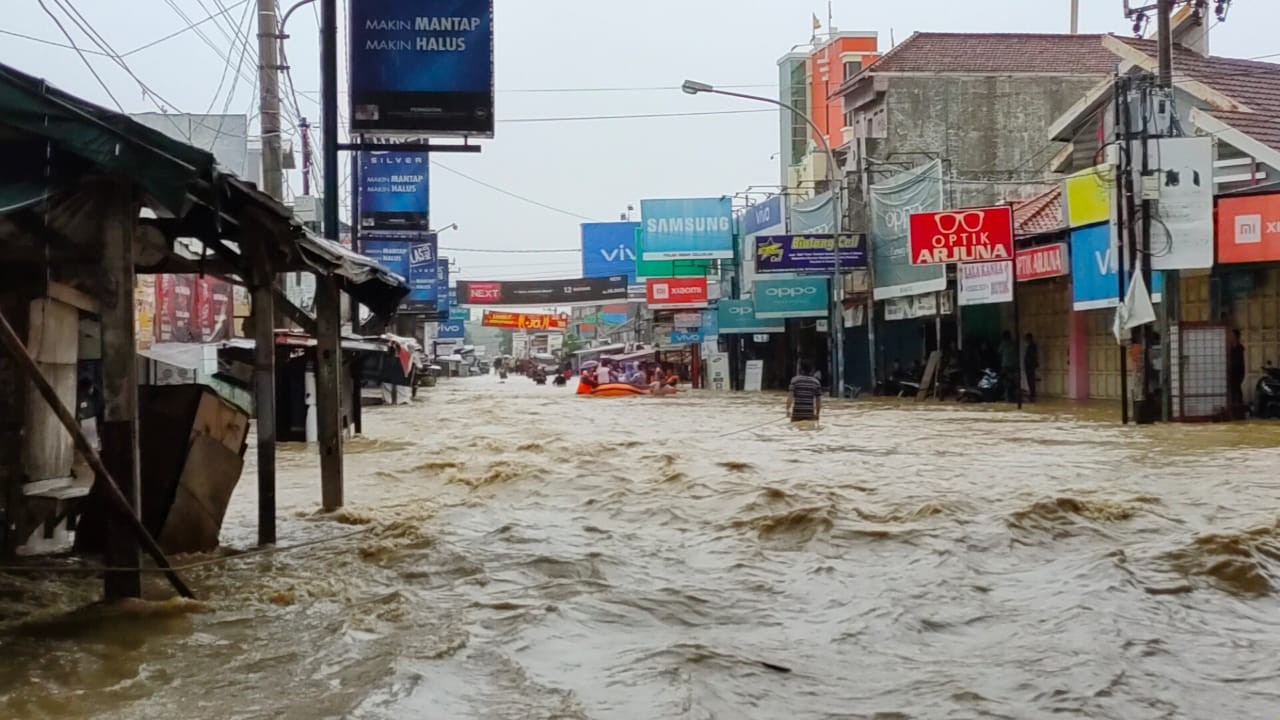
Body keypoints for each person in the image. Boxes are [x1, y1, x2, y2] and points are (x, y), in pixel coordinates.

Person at [998, 331, 1019, 403]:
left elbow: (999, 352)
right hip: (1015, 365)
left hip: (1006, 366)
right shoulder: (1014, 344)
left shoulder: (1003, 344)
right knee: (1014, 381)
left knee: (1006, 382)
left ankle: (1008, 397)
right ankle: (1013, 396)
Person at [1229, 329, 1246, 413]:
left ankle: (1239, 410)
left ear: (1237, 337)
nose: (1231, 337)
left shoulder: (1239, 348)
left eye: (1232, 336)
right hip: (1231, 372)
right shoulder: (1230, 347)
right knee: (1232, 391)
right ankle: (1233, 409)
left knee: (1237, 390)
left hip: (1238, 372)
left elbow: (1237, 362)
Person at [1023, 333, 1040, 402]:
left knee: (1031, 380)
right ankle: (1032, 393)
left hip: (1030, 366)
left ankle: (1032, 393)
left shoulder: (1032, 346)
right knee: (1030, 379)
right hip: (1029, 365)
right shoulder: (1030, 346)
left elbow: (1033, 356)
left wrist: (1033, 363)